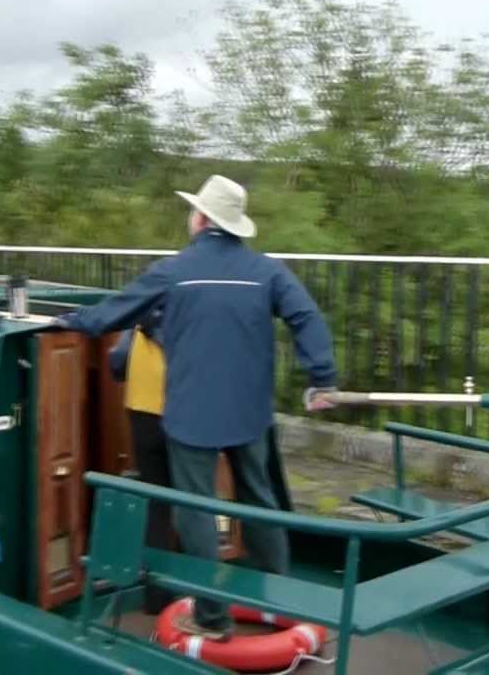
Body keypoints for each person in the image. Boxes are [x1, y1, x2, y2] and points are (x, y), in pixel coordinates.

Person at [53, 175, 338, 640]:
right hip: (249, 413)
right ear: (233, 225)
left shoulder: (174, 270)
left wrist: (69, 321)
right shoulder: (268, 271)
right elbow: (306, 316)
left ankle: (211, 620)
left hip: (191, 415)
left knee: (196, 510)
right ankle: (280, 604)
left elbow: (114, 313)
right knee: (259, 502)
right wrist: (322, 377)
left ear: (201, 219)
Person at [106, 307, 175, 615]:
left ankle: (155, 599)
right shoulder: (191, 315)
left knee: (157, 506)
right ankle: (200, 597)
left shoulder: (139, 318)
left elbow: (117, 364)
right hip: (183, 414)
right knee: (194, 504)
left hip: (142, 412)